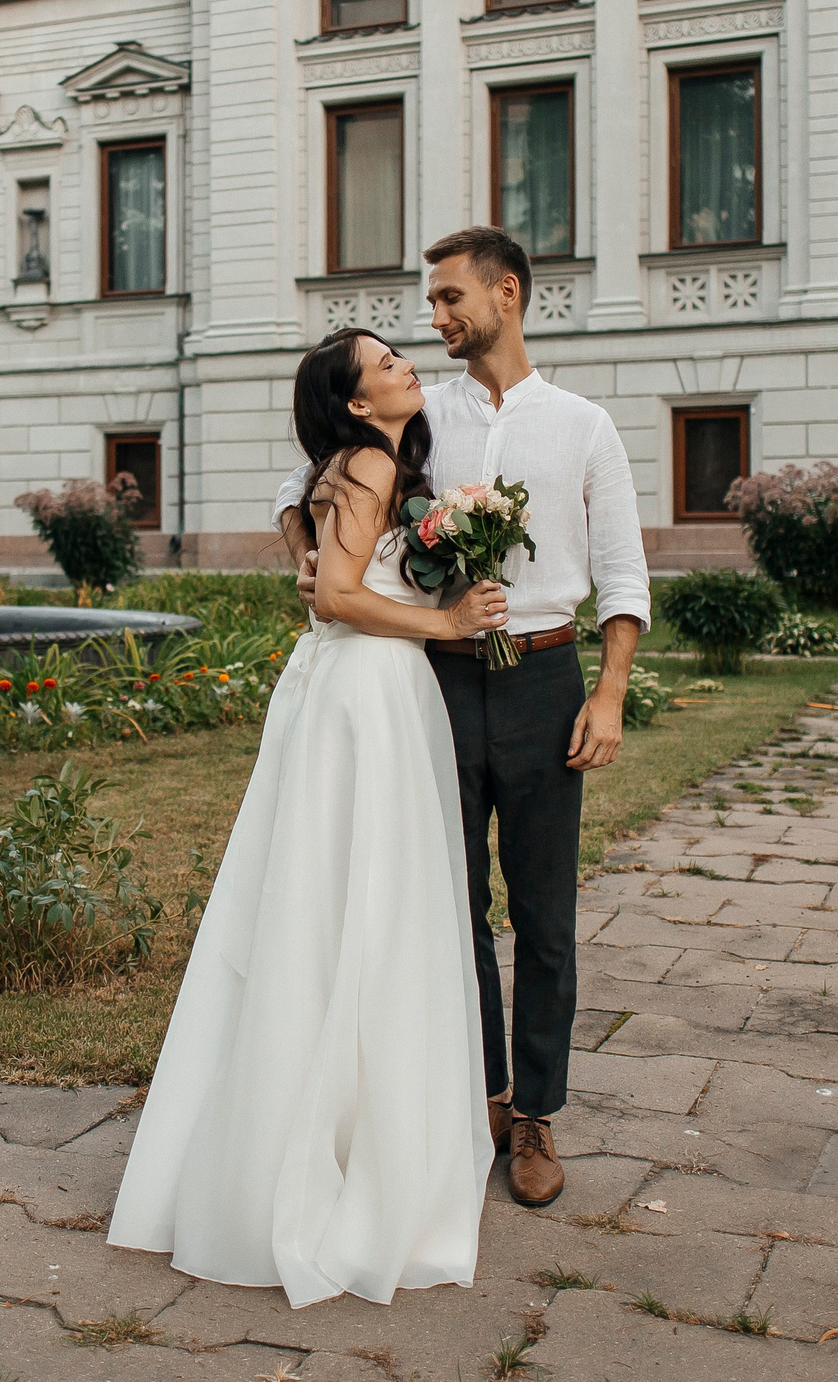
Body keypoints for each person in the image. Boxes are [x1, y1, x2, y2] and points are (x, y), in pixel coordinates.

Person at [108, 328, 507, 1308]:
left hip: (345, 689)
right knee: (367, 905)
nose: (405, 363)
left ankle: (301, 1128)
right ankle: (350, 1157)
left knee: (322, 901)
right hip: (367, 692)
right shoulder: (370, 459)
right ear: (358, 402)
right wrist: (449, 623)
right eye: (384, 364)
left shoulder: (355, 460)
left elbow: (316, 553)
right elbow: (335, 595)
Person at [276, 226, 650, 1210]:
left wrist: (607, 694)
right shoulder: (418, 415)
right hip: (430, 686)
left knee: (544, 914)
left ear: (506, 295)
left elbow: (621, 574)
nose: (434, 318)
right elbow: (302, 485)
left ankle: (535, 1113)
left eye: (449, 300)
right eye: (431, 304)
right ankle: (478, 1094)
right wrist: (306, 557)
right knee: (448, 908)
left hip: (543, 682)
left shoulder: (582, 426)